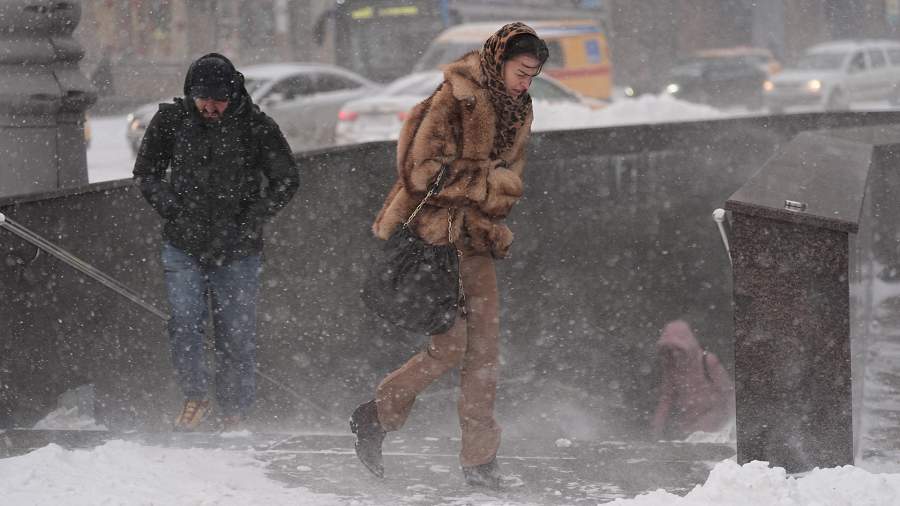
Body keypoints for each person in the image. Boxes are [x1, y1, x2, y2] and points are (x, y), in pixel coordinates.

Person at [350, 23, 549, 489]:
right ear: (499, 61)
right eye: (521, 72)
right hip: (437, 240)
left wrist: (490, 188)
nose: (525, 84)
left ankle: (480, 460)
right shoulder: (455, 97)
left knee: (485, 355)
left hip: (478, 240)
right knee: (452, 348)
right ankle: (377, 415)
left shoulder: (520, 110)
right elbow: (420, 171)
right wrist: (485, 181)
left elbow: (512, 184)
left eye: (533, 76)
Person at [133, 53, 299, 431]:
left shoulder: (256, 126)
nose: (209, 107)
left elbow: (287, 178)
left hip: (238, 250)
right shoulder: (171, 121)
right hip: (183, 245)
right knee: (184, 323)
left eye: (219, 99)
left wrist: (251, 218)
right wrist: (174, 210)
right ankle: (196, 397)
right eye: (202, 98)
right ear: (190, 94)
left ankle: (234, 411)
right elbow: (146, 173)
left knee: (236, 334)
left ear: (234, 94)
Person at [650, 319, 735, 440]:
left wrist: (733, 423)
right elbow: (667, 397)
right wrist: (657, 425)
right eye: (670, 350)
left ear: (688, 346)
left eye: (678, 349)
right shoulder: (670, 368)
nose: (674, 354)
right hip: (688, 424)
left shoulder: (707, 361)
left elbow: (728, 392)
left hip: (714, 422)